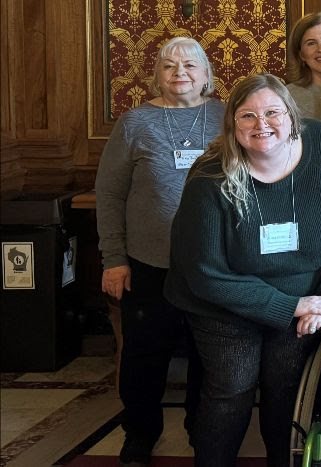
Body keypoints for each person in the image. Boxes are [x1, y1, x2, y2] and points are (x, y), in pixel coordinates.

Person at [165, 74, 321, 467]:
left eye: (272, 112)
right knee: (232, 387)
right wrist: (288, 306)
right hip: (222, 304)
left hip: (305, 299)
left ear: (291, 115)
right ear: (232, 125)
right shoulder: (210, 177)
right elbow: (204, 274)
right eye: (247, 116)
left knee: (287, 389)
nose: (262, 125)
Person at [96, 37, 223, 466]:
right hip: (148, 264)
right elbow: (109, 194)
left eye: (190, 65)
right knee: (144, 355)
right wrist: (113, 259)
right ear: (157, 75)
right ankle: (140, 432)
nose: (180, 73)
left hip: (212, 263)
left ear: (206, 74)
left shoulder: (227, 117)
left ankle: (200, 428)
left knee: (209, 356)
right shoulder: (134, 123)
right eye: (169, 66)